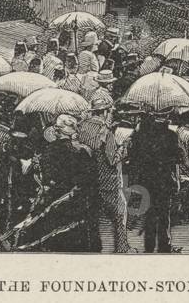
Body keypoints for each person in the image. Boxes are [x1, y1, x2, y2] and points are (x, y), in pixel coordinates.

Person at [29, 114, 100, 252]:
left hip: (56, 199)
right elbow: (90, 178)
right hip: (78, 200)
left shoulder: (51, 150)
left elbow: (47, 178)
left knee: (54, 236)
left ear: (57, 131)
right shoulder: (84, 150)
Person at [75, 90, 129, 253]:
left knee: (91, 217)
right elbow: (112, 159)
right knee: (120, 214)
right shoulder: (106, 131)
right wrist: (124, 149)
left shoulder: (81, 127)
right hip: (107, 180)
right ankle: (122, 247)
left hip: (88, 179)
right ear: (105, 112)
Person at [127, 111, 181, 253]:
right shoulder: (171, 136)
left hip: (147, 179)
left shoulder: (142, 135)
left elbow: (134, 156)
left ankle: (149, 245)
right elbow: (177, 158)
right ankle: (164, 245)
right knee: (164, 213)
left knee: (149, 213)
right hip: (164, 179)